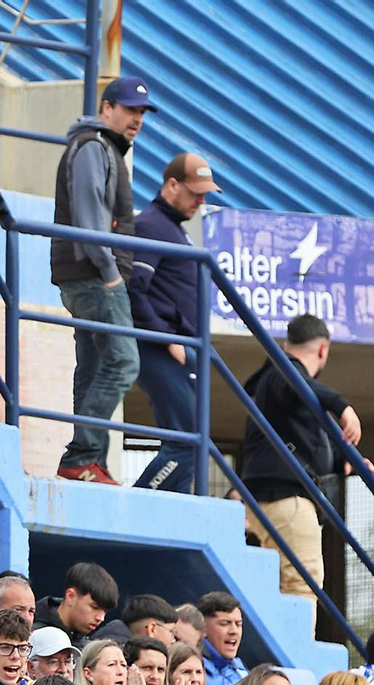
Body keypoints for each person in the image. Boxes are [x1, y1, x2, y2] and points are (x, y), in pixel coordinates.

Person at [49, 75, 155, 484]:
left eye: (142, 113)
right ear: (107, 108)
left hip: (85, 273)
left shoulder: (99, 146)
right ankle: (82, 456)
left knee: (94, 368)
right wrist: (111, 273)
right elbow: (90, 214)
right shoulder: (94, 146)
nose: (137, 120)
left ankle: (89, 463)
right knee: (124, 362)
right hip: (95, 275)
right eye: (130, 110)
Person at [239, 313, 365, 608]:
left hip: (268, 499)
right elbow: (297, 385)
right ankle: (296, 655)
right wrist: (342, 405)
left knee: (279, 588)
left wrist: (343, 462)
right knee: (301, 586)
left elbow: (302, 439)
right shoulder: (283, 375)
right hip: (288, 499)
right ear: (324, 349)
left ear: (287, 342)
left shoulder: (273, 383)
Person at [129, 152, 221, 494]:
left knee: (193, 441)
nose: (201, 200)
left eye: (205, 194)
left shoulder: (173, 230)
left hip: (181, 348)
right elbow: (135, 291)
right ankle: (139, 504)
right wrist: (168, 339)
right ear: (171, 185)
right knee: (186, 442)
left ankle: (177, 508)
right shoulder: (152, 225)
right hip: (162, 349)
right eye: (195, 192)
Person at [198, 591, 247, 685]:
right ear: (203, 629)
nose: (234, 631)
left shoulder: (241, 671)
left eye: (238, 624)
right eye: (225, 624)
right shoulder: (192, 668)